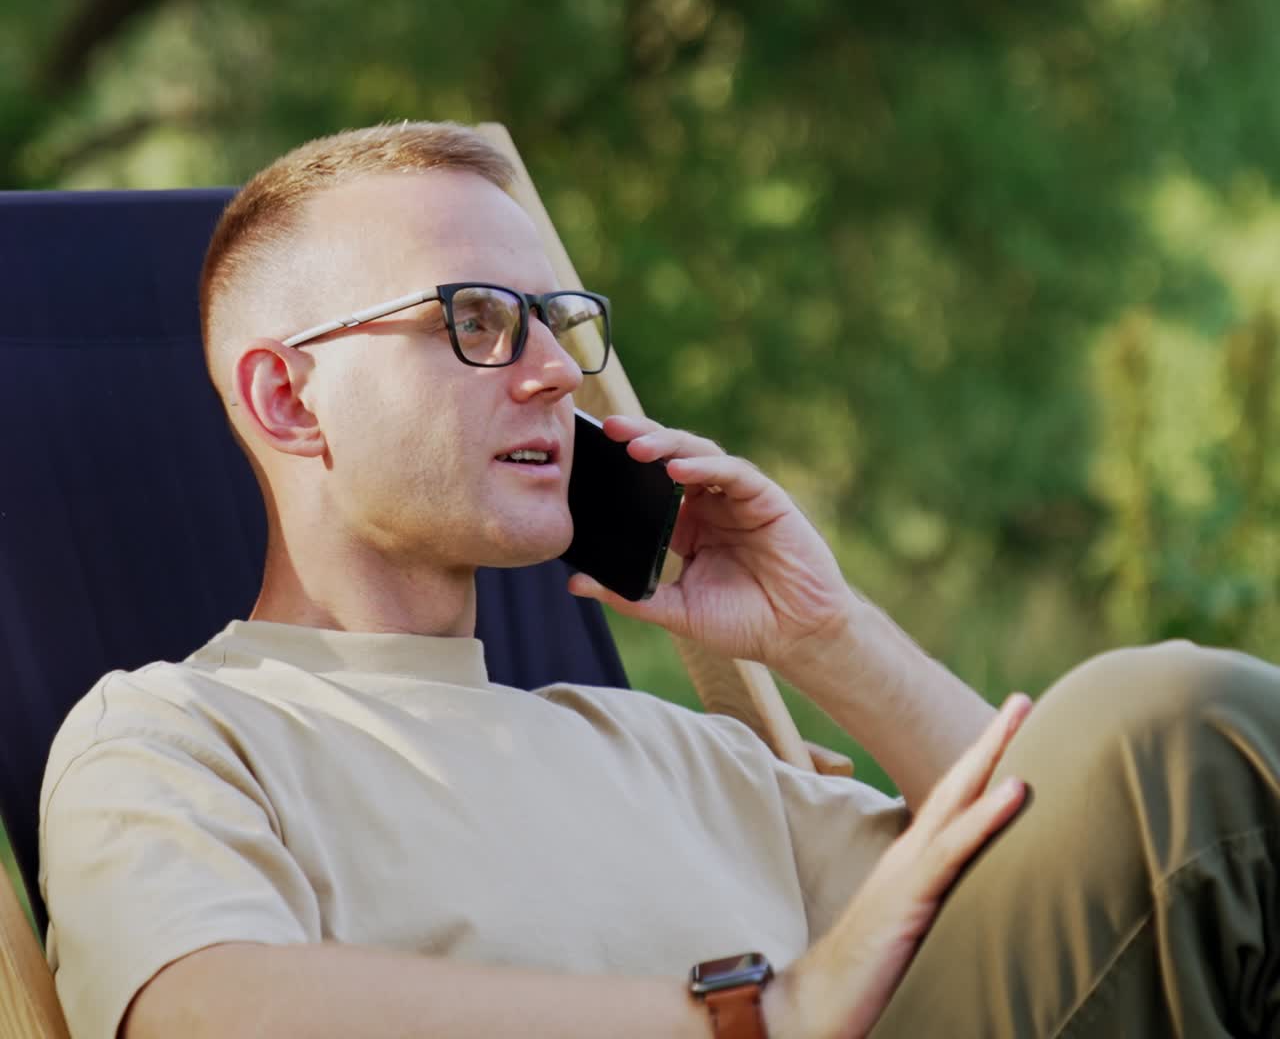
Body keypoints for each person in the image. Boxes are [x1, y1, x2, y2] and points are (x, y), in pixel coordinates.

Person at [39, 122, 1279, 1039]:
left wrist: (829, 634)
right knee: (1170, 715)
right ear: (285, 393)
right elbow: (207, 1008)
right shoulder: (173, 735)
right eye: (475, 316)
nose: (548, 373)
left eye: (556, 319)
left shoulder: (668, 749)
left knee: (1180, 745)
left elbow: (1103, 896)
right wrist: (753, 1013)